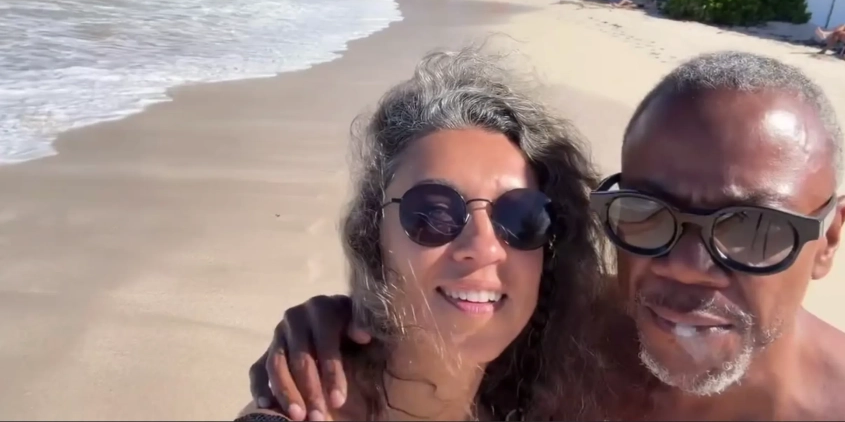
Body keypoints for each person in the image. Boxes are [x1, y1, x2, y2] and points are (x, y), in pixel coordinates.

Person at [248, 52, 845, 421]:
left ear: (828, 238)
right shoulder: (572, 330)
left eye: (754, 229)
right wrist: (339, 322)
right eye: (647, 213)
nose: (687, 265)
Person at [241, 51, 615, 421]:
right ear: (373, 239)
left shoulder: (542, 397)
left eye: (521, 217)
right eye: (435, 214)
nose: (484, 247)